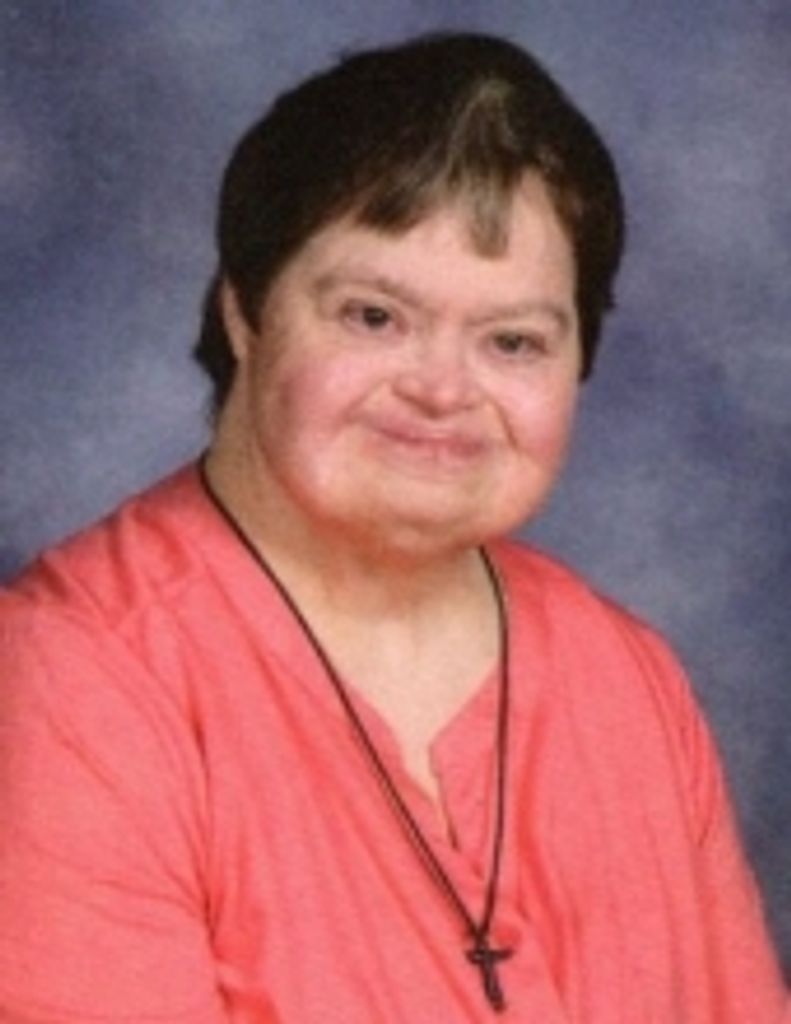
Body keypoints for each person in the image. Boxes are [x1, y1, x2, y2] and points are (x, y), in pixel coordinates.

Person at [0, 31, 786, 1023]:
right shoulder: (70, 683)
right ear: (245, 311)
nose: (441, 390)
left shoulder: (628, 680)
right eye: (374, 316)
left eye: (512, 342)